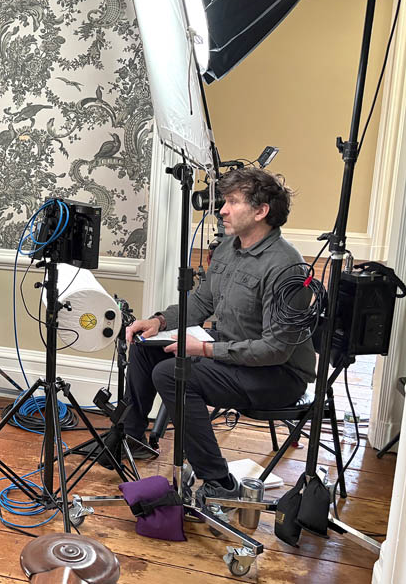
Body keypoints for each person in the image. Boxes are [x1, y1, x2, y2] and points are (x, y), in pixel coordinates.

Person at [94, 168, 315, 505]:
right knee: (145, 349)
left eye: (232, 202)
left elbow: (274, 349)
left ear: (261, 211)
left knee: (172, 374)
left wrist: (205, 349)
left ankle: (219, 482)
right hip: (232, 352)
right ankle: (131, 438)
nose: (222, 210)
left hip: (276, 375)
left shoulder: (286, 267)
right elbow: (201, 302)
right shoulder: (228, 248)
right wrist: (158, 321)